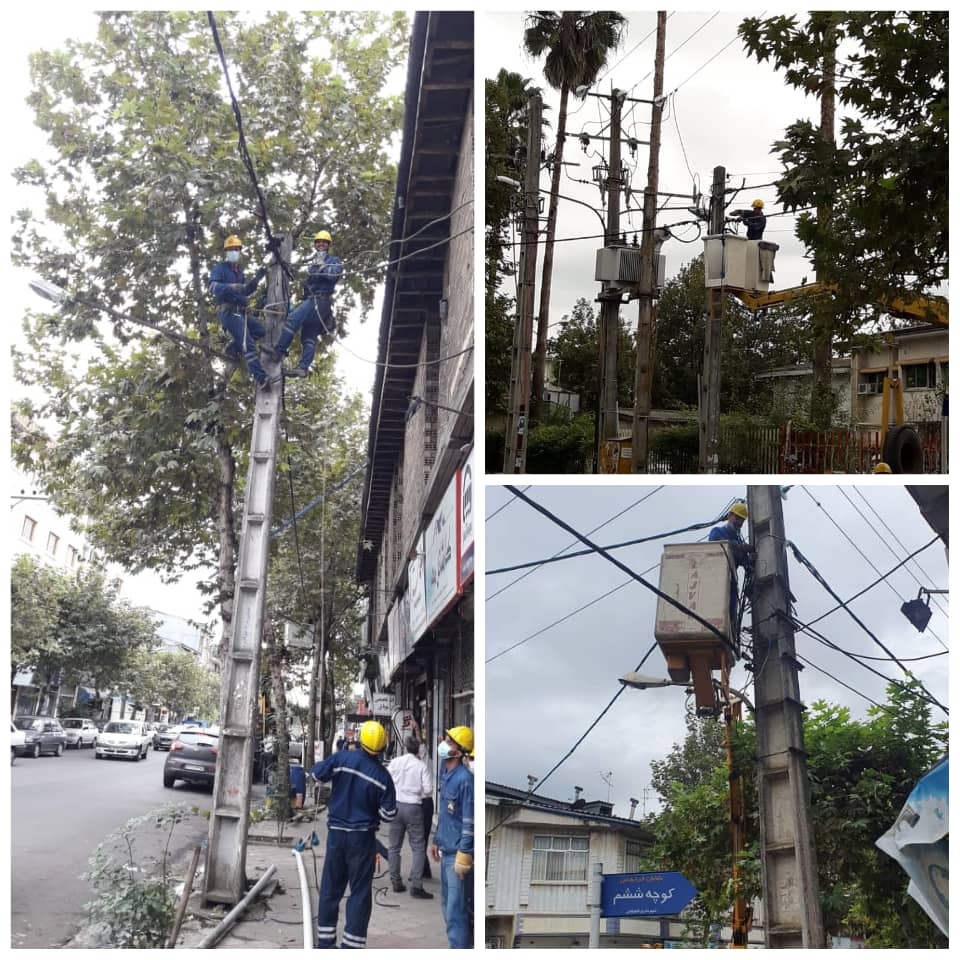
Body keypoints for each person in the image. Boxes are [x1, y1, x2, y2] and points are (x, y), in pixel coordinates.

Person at [310, 720, 397, 950]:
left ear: (359, 740)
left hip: (337, 835)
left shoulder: (341, 759)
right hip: (363, 839)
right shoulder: (382, 776)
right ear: (382, 747)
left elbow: (317, 774)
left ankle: (326, 944)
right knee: (359, 893)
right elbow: (389, 814)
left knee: (330, 889)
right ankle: (351, 947)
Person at [267, 230, 343, 377]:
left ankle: (279, 351)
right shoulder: (313, 264)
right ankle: (303, 368)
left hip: (319, 301)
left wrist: (322, 266)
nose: (321, 244)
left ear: (328, 245)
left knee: (293, 320)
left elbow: (333, 276)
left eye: (324, 242)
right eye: (318, 241)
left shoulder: (333, 260)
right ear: (315, 244)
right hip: (314, 301)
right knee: (308, 337)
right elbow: (310, 284)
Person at [207, 235, 272, 388]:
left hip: (240, 312)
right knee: (248, 344)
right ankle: (261, 378)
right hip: (229, 312)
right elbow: (212, 287)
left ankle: (233, 348)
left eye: (236, 249)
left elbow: (244, 291)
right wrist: (229, 287)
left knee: (260, 331)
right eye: (230, 250)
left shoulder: (239, 273)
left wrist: (257, 279)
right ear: (226, 252)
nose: (233, 252)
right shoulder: (220, 268)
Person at [430, 726, 474, 949]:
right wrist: (436, 839)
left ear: (458, 752)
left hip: (457, 856)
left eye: (449, 741)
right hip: (446, 850)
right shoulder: (446, 773)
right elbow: (446, 815)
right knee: (448, 908)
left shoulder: (465, 780)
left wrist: (465, 854)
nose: (443, 743)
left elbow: (469, 820)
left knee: (456, 913)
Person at [387, 736, 434, 900]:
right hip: (414, 807)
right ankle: (416, 885)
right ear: (418, 749)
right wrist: (416, 792)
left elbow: (386, 780)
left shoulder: (395, 762)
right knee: (418, 847)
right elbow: (428, 790)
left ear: (406, 747)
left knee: (394, 846)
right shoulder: (421, 766)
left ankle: (395, 881)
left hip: (396, 805)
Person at [708, 501, 755, 638]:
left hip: (731, 584)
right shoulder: (718, 531)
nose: (739, 523)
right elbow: (716, 543)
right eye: (737, 518)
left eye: (742, 521)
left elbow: (746, 564)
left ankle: (731, 638)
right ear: (729, 515)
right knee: (716, 611)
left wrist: (751, 560)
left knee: (730, 617)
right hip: (716, 579)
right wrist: (740, 547)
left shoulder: (738, 541)